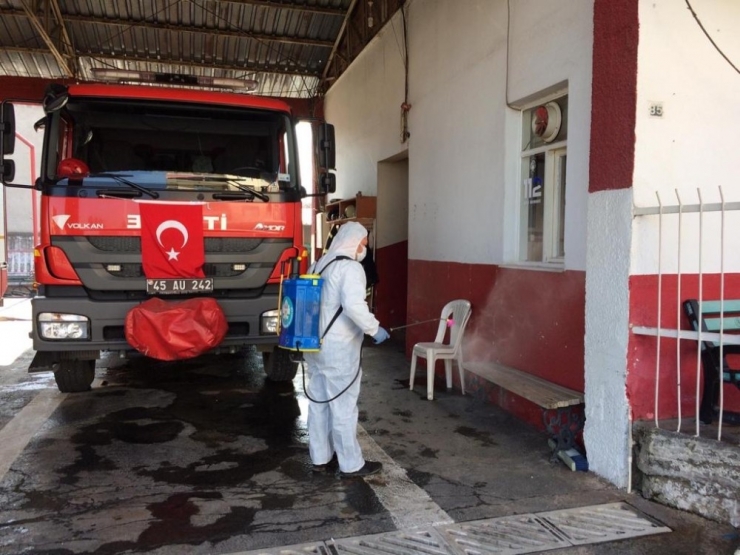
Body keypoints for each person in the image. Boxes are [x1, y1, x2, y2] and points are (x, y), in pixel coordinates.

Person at [303, 221, 390, 478]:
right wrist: (375, 329)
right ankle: (351, 464)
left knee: (319, 403)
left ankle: (320, 458)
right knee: (343, 406)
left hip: (314, 347)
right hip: (339, 350)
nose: (365, 249)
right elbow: (354, 306)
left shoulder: (318, 264)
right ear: (353, 241)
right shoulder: (351, 268)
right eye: (364, 243)